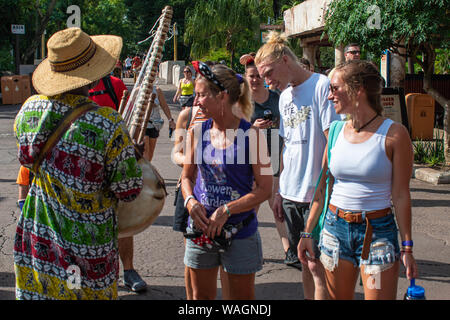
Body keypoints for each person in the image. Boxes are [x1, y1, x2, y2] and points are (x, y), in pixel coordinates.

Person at [13, 27, 143, 300]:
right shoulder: (107, 122)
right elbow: (128, 190)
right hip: (88, 244)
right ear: (91, 73)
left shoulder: (28, 110)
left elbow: (27, 160)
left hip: (40, 237)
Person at [299, 60, 418, 300]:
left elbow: (401, 194)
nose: (329, 96)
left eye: (334, 88)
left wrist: (407, 247)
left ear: (358, 89)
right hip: (335, 230)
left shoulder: (394, 134)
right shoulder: (334, 131)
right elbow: (322, 188)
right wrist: (307, 232)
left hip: (378, 234)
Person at [255, 31, 341, 300]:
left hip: (316, 195)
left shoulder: (320, 85)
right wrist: (279, 190)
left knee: (317, 265)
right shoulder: (284, 97)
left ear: (284, 59)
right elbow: (287, 146)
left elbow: (332, 143)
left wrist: (323, 189)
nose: (268, 82)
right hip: (290, 193)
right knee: (305, 261)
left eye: (269, 73)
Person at [181, 61, 272, 300]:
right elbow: (187, 177)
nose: (196, 101)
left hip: (240, 233)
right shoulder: (197, 132)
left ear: (221, 96)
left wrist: (226, 210)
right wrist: (190, 202)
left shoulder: (252, 136)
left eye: (201, 95)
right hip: (200, 230)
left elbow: (265, 189)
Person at [89, 75, 149, 293]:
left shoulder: (114, 84)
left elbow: (130, 117)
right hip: (80, 177)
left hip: (112, 165)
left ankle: (129, 270)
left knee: (122, 221)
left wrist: (130, 150)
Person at [240, 53, 293, 267]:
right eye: (251, 76)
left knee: (276, 205)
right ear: (246, 77)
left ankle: (289, 250)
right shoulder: (242, 101)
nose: (255, 80)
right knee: (252, 206)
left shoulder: (276, 97)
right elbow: (232, 131)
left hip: (274, 155)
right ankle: (247, 248)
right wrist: (253, 128)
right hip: (251, 160)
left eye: (258, 76)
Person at [144, 85, 176, 162]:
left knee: (150, 152)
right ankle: (145, 171)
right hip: (142, 125)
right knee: (145, 151)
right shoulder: (138, 90)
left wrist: (170, 120)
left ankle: (147, 167)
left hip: (155, 124)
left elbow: (164, 106)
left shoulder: (157, 90)